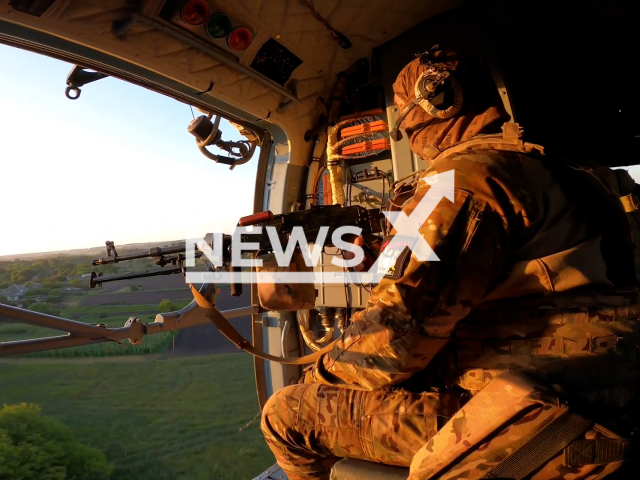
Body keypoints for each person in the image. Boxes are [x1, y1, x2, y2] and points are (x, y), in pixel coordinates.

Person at [261, 49, 640, 480]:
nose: (412, 141)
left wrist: (321, 374)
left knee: (288, 415)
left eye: (406, 126)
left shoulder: (466, 179)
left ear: (432, 108)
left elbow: (397, 334)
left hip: (553, 415)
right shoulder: (576, 171)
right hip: (608, 392)